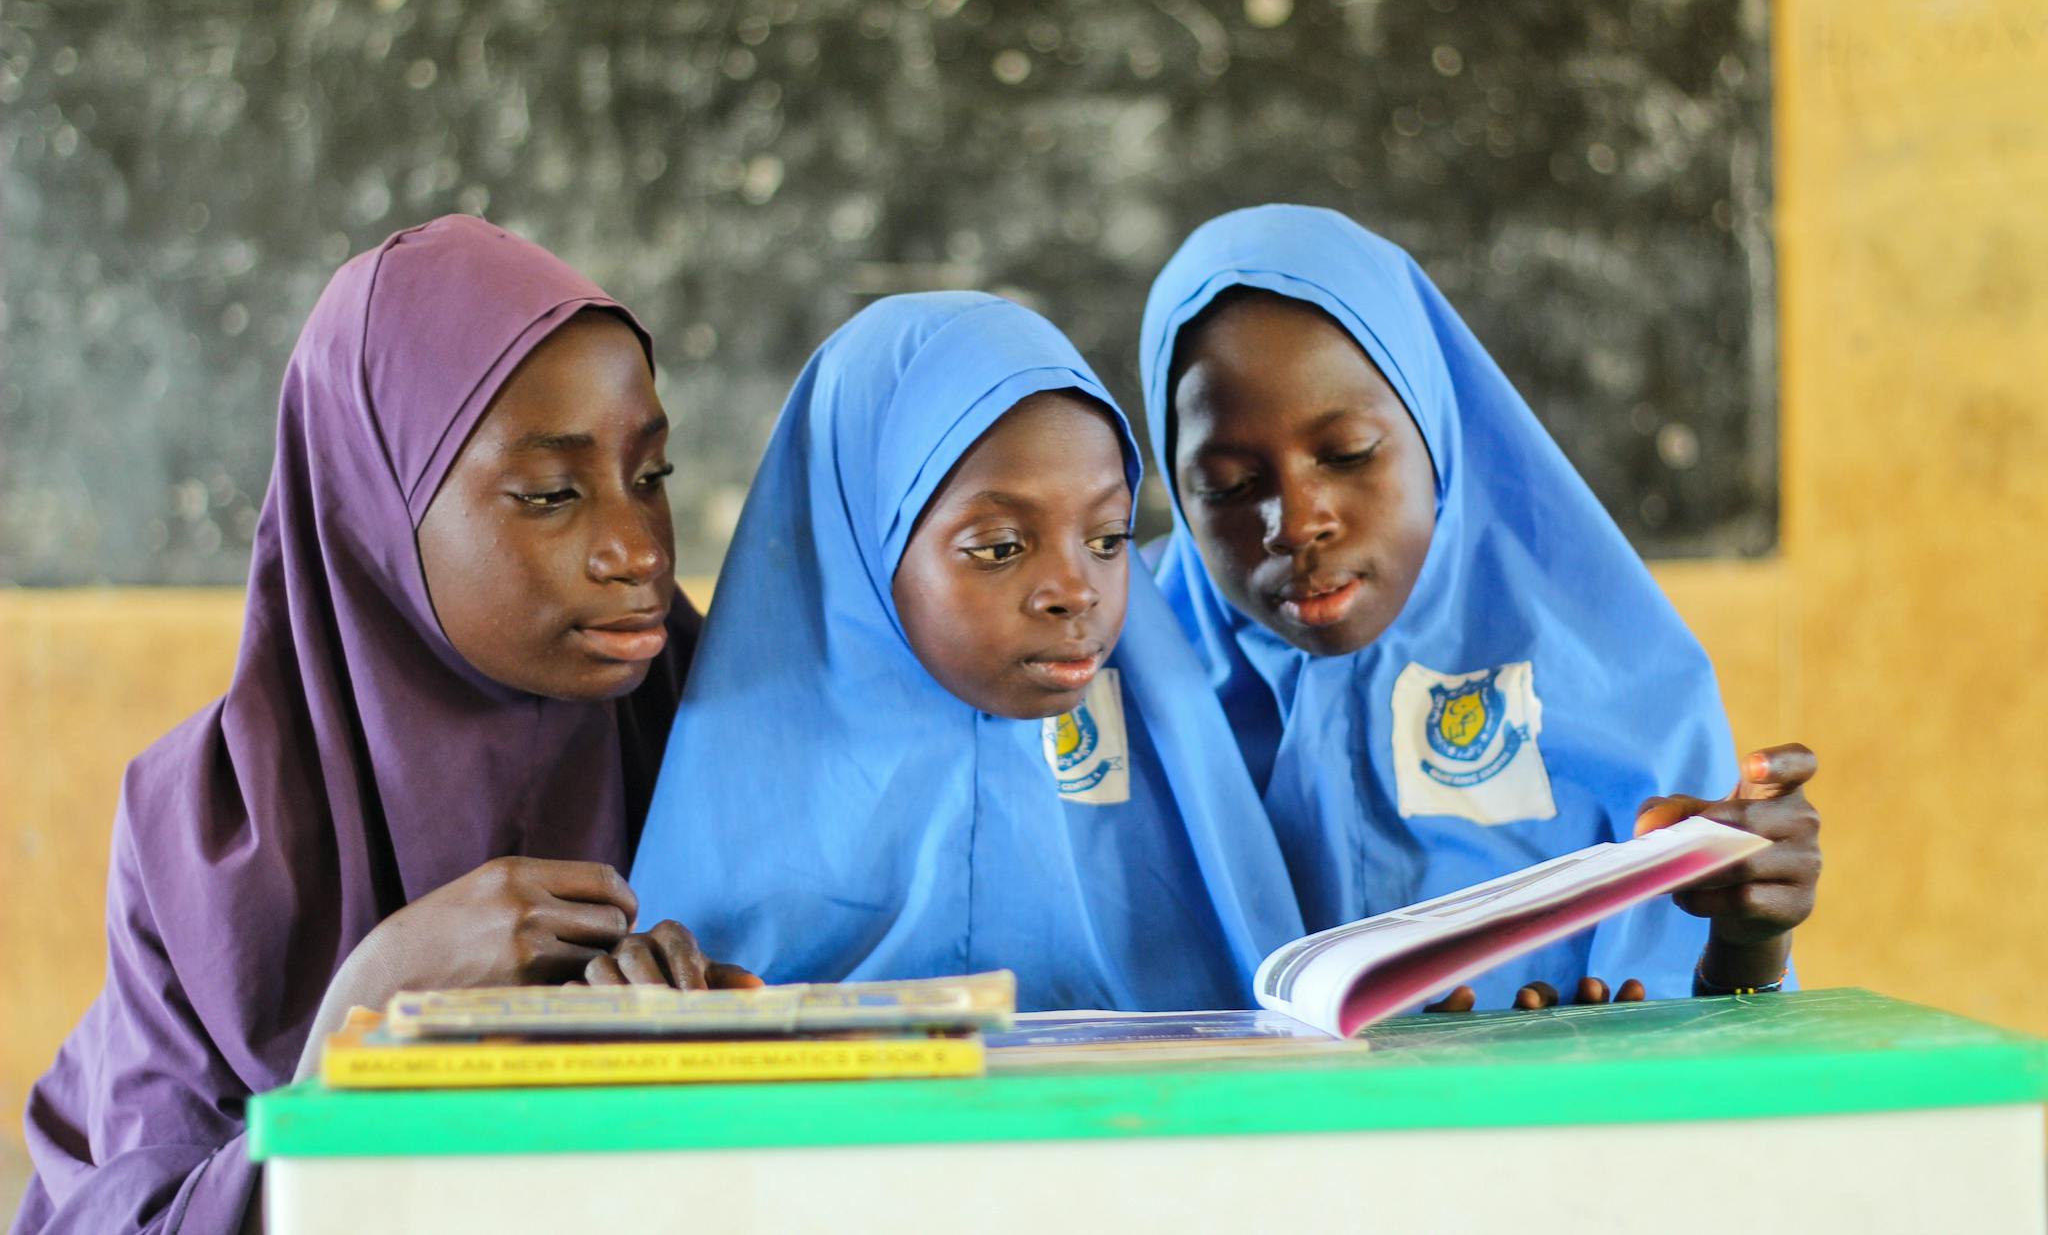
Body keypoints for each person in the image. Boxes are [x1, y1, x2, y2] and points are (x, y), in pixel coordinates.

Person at [13, 216, 738, 1234]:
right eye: (551, 494)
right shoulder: (206, 831)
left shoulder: (728, 745)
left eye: (651, 478)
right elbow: (137, 1215)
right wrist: (364, 1025)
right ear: (371, 520)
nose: (635, 550)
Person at [1137, 205, 1820, 1010]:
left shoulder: (1616, 674)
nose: (1297, 523)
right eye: (1227, 485)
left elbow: (1716, 1067)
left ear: (1436, 427)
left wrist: (1749, 944)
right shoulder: (1114, 690)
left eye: (1349, 453)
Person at [618, 292, 1303, 1009]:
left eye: (1107, 539)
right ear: (860, 544)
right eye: (1000, 546)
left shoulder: (1171, 788)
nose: (1077, 591)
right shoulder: (717, 828)